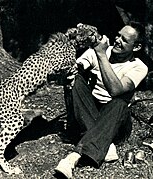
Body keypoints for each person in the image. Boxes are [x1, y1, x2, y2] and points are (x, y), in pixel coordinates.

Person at [54, 22, 148, 178]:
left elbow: (116, 90)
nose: (117, 40)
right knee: (75, 79)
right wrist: (71, 71)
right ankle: (104, 143)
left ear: (136, 47)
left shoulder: (138, 67)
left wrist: (102, 55)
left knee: (119, 102)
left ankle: (74, 157)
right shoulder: (96, 52)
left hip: (116, 118)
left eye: (124, 40)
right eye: (118, 35)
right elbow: (76, 68)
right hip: (90, 111)